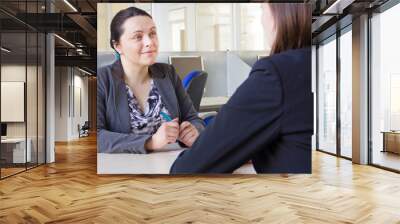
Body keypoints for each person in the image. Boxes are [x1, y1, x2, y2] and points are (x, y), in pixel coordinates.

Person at [170, 3, 312, 173]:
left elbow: (187, 169)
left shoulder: (276, 74)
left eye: (262, 9)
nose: (261, 20)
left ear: (281, 12)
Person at [97, 7, 204, 154]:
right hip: (123, 168)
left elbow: (193, 118)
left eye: (152, 33)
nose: (150, 42)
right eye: (138, 37)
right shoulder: (103, 79)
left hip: (169, 164)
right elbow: (97, 137)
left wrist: (194, 131)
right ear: (118, 46)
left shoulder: (168, 73)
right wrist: (151, 142)